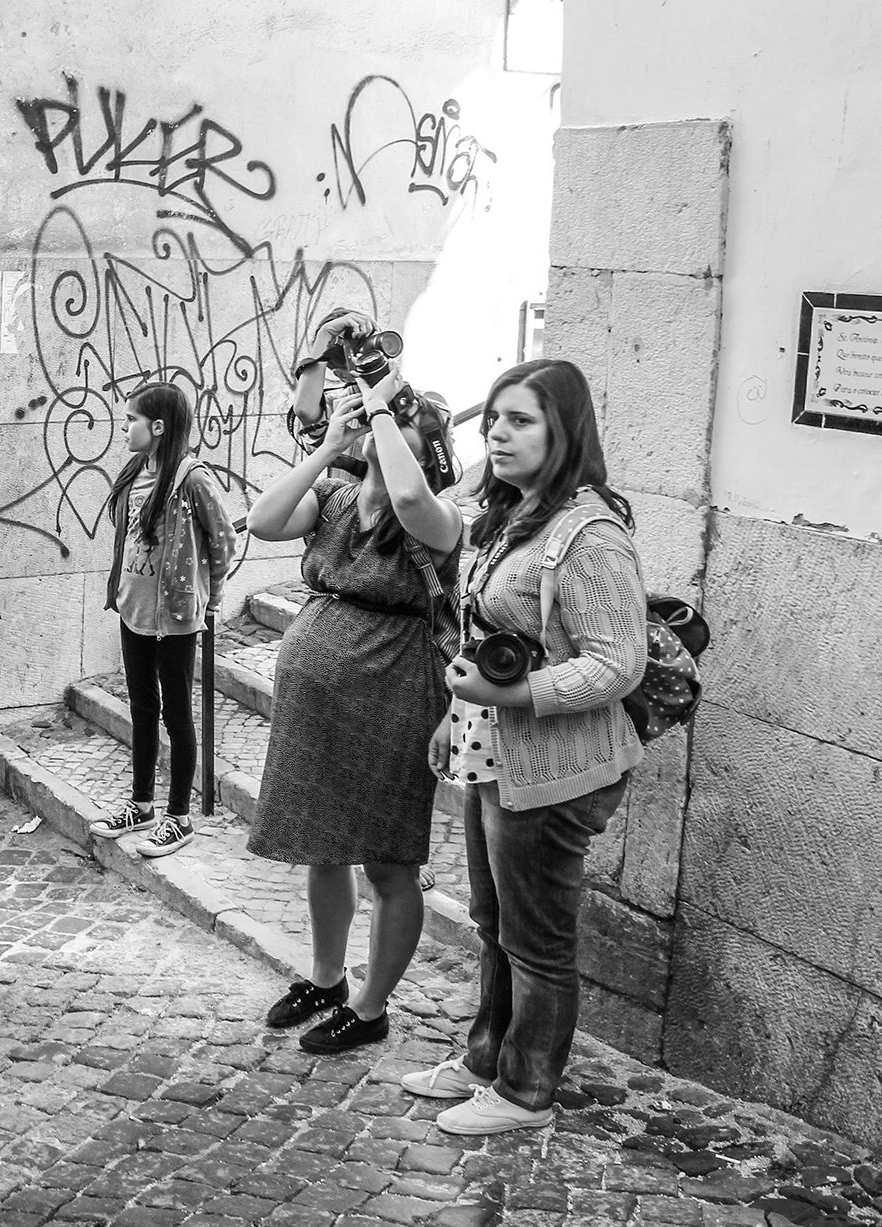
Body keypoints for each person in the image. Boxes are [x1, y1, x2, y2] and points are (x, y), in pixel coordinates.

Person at [402, 358, 646, 1136]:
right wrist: (457, 713)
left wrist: (510, 695)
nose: (497, 434)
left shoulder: (589, 534)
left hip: (556, 767)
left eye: (520, 420)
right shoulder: (510, 514)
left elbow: (616, 663)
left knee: (535, 938)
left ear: (562, 431)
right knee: (491, 920)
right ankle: (485, 1059)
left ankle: (525, 1090)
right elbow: (481, 631)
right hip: (492, 749)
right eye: (493, 420)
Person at [244, 312, 466, 1057]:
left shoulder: (437, 516)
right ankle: (327, 977)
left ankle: (371, 1007)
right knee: (324, 846)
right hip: (320, 699)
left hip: (394, 691)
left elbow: (411, 500)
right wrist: (327, 448)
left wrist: (382, 406)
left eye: (393, 426)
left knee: (389, 861)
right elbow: (263, 519)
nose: (375, 426)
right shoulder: (337, 498)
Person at [89, 382, 235, 858]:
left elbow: (224, 540)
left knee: (176, 714)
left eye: (131, 419)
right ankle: (141, 805)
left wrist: (210, 597)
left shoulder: (192, 478)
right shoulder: (135, 472)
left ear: (157, 426)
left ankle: (179, 817)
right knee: (141, 708)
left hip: (174, 617)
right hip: (132, 609)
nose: (124, 427)